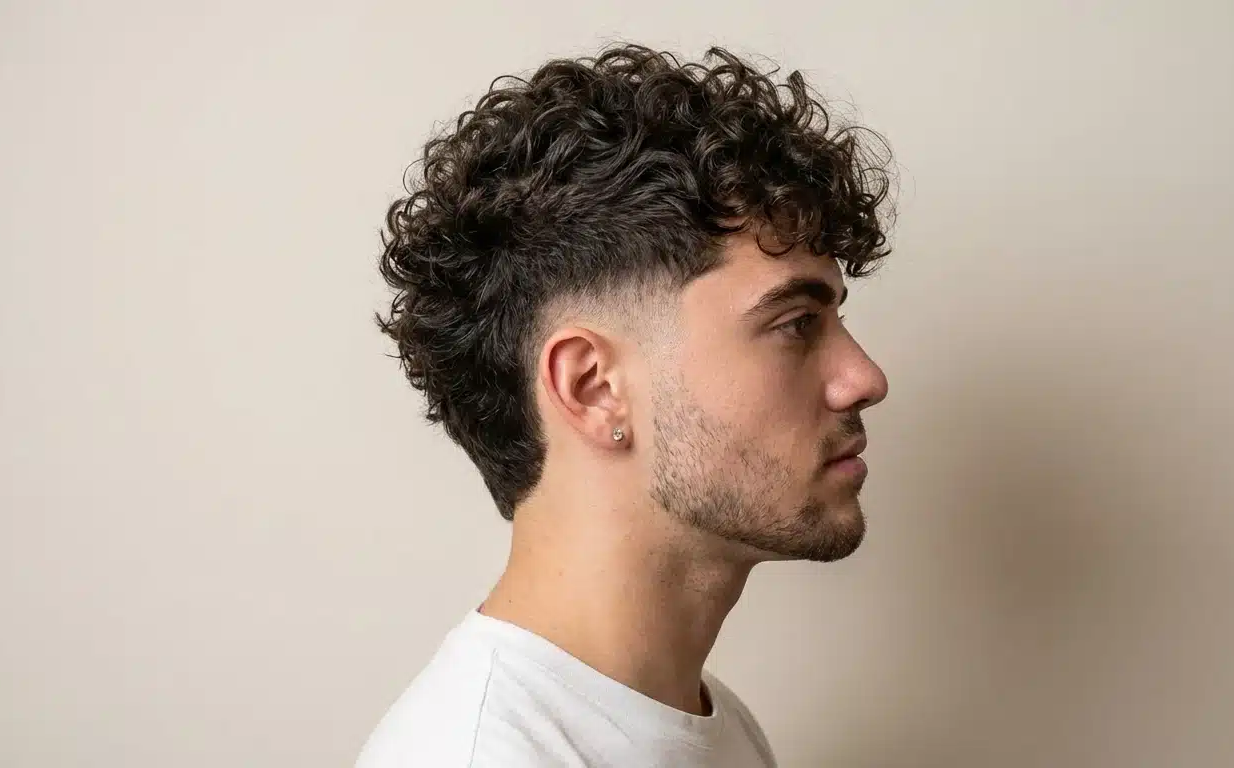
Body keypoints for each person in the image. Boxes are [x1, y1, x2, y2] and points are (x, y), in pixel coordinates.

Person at [356, 42, 893, 768]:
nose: (863, 377)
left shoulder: (719, 728)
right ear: (592, 386)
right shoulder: (480, 755)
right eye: (795, 324)